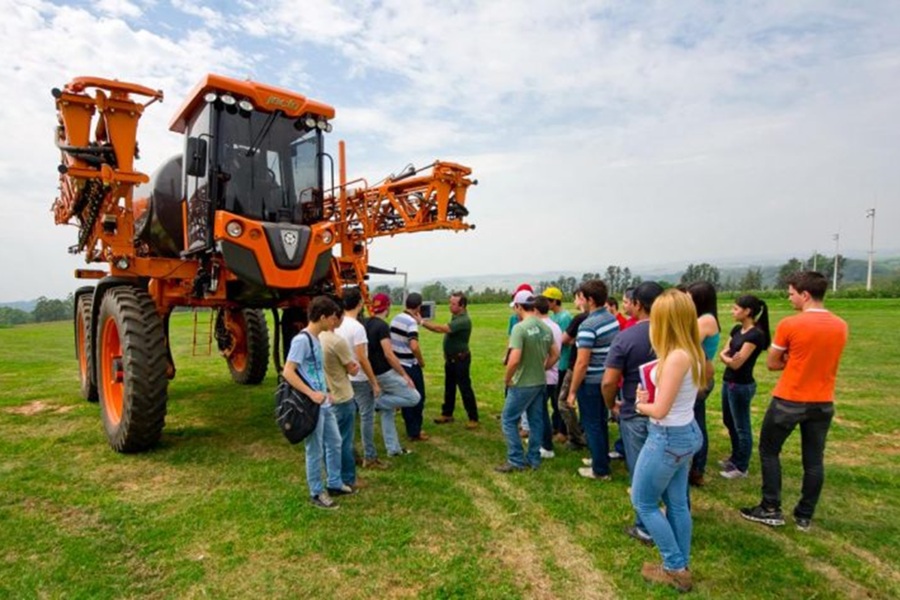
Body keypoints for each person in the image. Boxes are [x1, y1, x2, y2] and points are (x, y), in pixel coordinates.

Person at [740, 271, 848, 531]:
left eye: (791, 293)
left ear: (805, 294)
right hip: (823, 402)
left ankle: (770, 507)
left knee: (769, 451)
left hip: (790, 398)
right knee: (813, 459)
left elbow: (772, 363)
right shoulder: (841, 325)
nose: (789, 298)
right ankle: (804, 514)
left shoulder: (791, 324)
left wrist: (791, 359)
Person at [632, 289, 705, 592]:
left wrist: (640, 404)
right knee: (677, 503)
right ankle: (680, 564)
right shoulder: (691, 352)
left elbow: (660, 410)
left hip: (667, 437)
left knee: (644, 502)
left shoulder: (675, 358)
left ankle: (674, 565)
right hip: (685, 432)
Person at [601, 281, 664, 546]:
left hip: (636, 410)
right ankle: (673, 516)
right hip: (671, 412)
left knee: (640, 470)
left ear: (637, 305)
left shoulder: (626, 337)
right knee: (670, 472)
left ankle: (646, 527)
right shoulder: (676, 333)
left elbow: (608, 381)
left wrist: (611, 405)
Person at [282, 296, 349, 510]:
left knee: (335, 441)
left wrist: (325, 391)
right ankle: (316, 492)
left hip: (324, 401)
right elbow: (288, 372)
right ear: (321, 317)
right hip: (313, 404)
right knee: (314, 449)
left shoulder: (317, 338)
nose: (334, 322)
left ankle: (335, 483)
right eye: (331, 318)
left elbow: (316, 371)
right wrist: (312, 394)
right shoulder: (302, 340)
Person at [496, 290, 558, 472]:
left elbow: (514, 359)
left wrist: (507, 379)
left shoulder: (520, 328)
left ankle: (515, 459)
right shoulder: (545, 327)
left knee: (508, 419)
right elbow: (555, 354)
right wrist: (543, 367)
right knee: (536, 420)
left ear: (518, 306)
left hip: (522, 383)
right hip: (540, 381)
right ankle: (534, 459)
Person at [567, 279, 619, 480]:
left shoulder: (588, 325)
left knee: (592, 424)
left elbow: (581, 363)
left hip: (591, 382)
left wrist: (572, 391)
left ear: (589, 299)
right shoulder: (610, 318)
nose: (579, 300)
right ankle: (601, 458)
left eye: (581, 297)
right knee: (600, 422)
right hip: (607, 378)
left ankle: (600, 470)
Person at [718, 294, 771, 479]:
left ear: (747, 311)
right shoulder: (736, 330)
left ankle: (741, 467)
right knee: (729, 420)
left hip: (741, 385)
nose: (732, 311)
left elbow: (735, 363)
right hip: (728, 382)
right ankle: (735, 457)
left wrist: (727, 357)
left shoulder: (755, 335)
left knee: (742, 426)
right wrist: (727, 357)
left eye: (735, 308)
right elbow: (725, 353)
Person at [365, 293, 421, 457]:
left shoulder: (366, 323)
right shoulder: (382, 327)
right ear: (387, 307)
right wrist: (404, 374)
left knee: (388, 411)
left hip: (372, 373)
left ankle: (393, 449)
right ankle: (376, 404)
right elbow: (389, 354)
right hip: (385, 373)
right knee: (413, 397)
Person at [335, 288, 385, 470]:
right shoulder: (357, 328)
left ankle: (349, 453)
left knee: (346, 418)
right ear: (360, 303)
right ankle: (370, 457)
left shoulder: (337, 324)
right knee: (366, 417)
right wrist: (374, 381)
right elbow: (362, 358)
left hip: (343, 378)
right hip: (360, 379)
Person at [420, 292, 480, 428]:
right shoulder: (456, 316)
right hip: (451, 359)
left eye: (453, 304)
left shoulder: (464, 320)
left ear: (462, 306)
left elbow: (440, 329)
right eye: (450, 302)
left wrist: (422, 322)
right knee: (449, 387)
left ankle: (473, 417)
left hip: (461, 360)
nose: (450, 306)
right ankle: (447, 414)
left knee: (465, 388)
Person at [319, 310, 362, 491]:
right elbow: (352, 369)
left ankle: (331, 476)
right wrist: (356, 365)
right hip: (342, 396)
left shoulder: (318, 338)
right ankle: (347, 478)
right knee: (344, 441)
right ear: (333, 318)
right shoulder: (337, 342)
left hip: (326, 397)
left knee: (327, 442)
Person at [685, 281, 720, 486]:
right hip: (699, 377)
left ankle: (697, 469)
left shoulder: (705, 321)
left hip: (699, 380)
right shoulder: (705, 318)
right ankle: (696, 467)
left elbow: (684, 343)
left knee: (696, 425)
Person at [390, 292, 428, 441]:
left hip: (398, 364)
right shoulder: (411, 323)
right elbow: (414, 345)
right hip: (410, 365)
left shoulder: (395, 318)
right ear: (418, 307)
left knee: (406, 397)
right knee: (418, 398)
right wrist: (421, 361)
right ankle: (415, 431)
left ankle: (410, 427)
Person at [535, 294, 563, 459]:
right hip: (552, 375)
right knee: (541, 410)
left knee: (540, 412)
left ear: (536, 310)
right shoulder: (555, 326)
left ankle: (546, 446)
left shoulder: (541, 328)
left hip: (544, 375)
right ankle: (541, 442)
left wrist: (541, 368)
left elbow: (551, 354)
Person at [544, 286, 572, 442]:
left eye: (548, 300)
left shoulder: (564, 317)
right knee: (554, 399)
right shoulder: (553, 317)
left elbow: (565, 340)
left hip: (563, 363)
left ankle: (563, 430)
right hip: (555, 363)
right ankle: (555, 426)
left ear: (555, 301)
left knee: (559, 400)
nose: (546, 303)